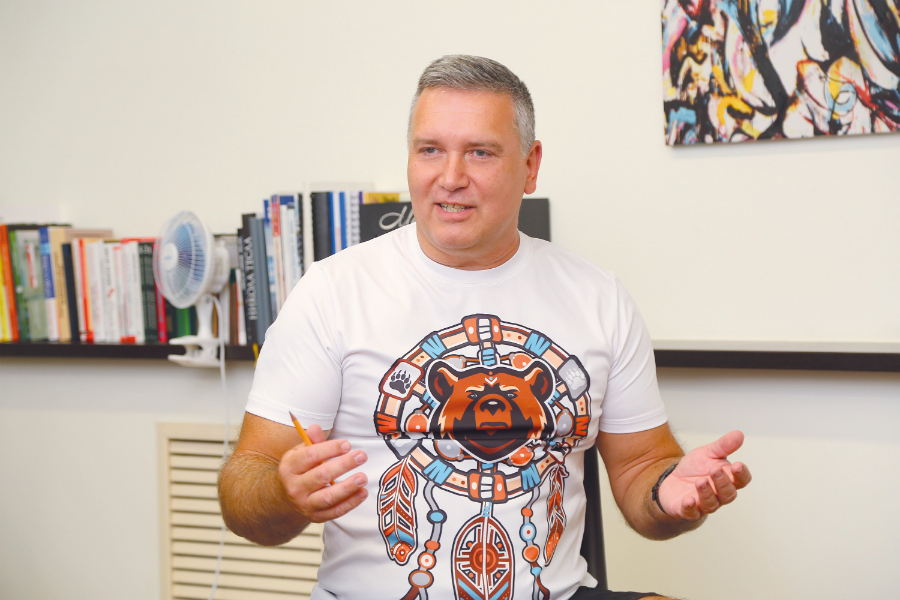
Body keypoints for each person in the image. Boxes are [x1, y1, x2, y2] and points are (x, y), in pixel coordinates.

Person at [219, 55, 752, 600]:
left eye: (480, 152)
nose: (451, 178)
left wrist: (671, 493)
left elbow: (642, 468)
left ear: (530, 165)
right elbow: (245, 488)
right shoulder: (331, 293)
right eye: (430, 150)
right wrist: (283, 492)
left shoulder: (600, 298)